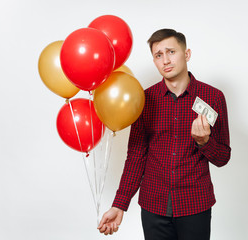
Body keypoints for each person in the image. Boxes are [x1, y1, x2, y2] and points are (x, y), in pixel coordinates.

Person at [97, 29, 231, 240]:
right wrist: (119, 205)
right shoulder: (144, 100)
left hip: (195, 203)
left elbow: (223, 157)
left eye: (171, 52)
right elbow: (136, 157)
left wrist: (205, 142)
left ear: (186, 54)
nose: (165, 60)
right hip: (153, 206)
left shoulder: (213, 97)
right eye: (158, 55)